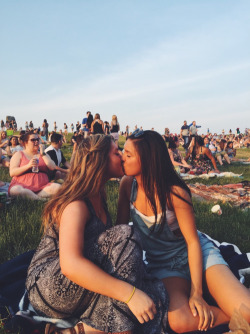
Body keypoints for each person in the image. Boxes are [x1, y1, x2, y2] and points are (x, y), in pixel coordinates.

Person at [25, 134, 168, 333]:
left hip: (77, 285)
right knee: (128, 238)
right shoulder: (77, 204)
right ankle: (118, 329)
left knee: (155, 297)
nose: (122, 157)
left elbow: (119, 254)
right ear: (99, 160)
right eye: (117, 152)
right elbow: (70, 265)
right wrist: (130, 294)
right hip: (48, 287)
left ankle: (76, 331)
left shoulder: (99, 195)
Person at [117, 129, 250, 333]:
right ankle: (229, 315)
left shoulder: (174, 193)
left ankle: (235, 311)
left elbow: (193, 242)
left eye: (127, 155)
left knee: (247, 310)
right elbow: (121, 232)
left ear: (147, 160)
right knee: (178, 321)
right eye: (122, 152)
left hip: (198, 254)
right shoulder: (127, 185)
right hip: (164, 266)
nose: (121, 158)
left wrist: (196, 293)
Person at [8, 131, 61, 200]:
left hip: (42, 188)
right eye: (33, 140)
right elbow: (12, 172)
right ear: (25, 142)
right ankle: (40, 199)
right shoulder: (19, 154)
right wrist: (28, 166)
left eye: (37, 139)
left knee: (58, 188)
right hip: (22, 186)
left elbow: (53, 167)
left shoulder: (43, 154)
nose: (36, 141)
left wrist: (43, 154)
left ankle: (33, 197)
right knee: (15, 190)